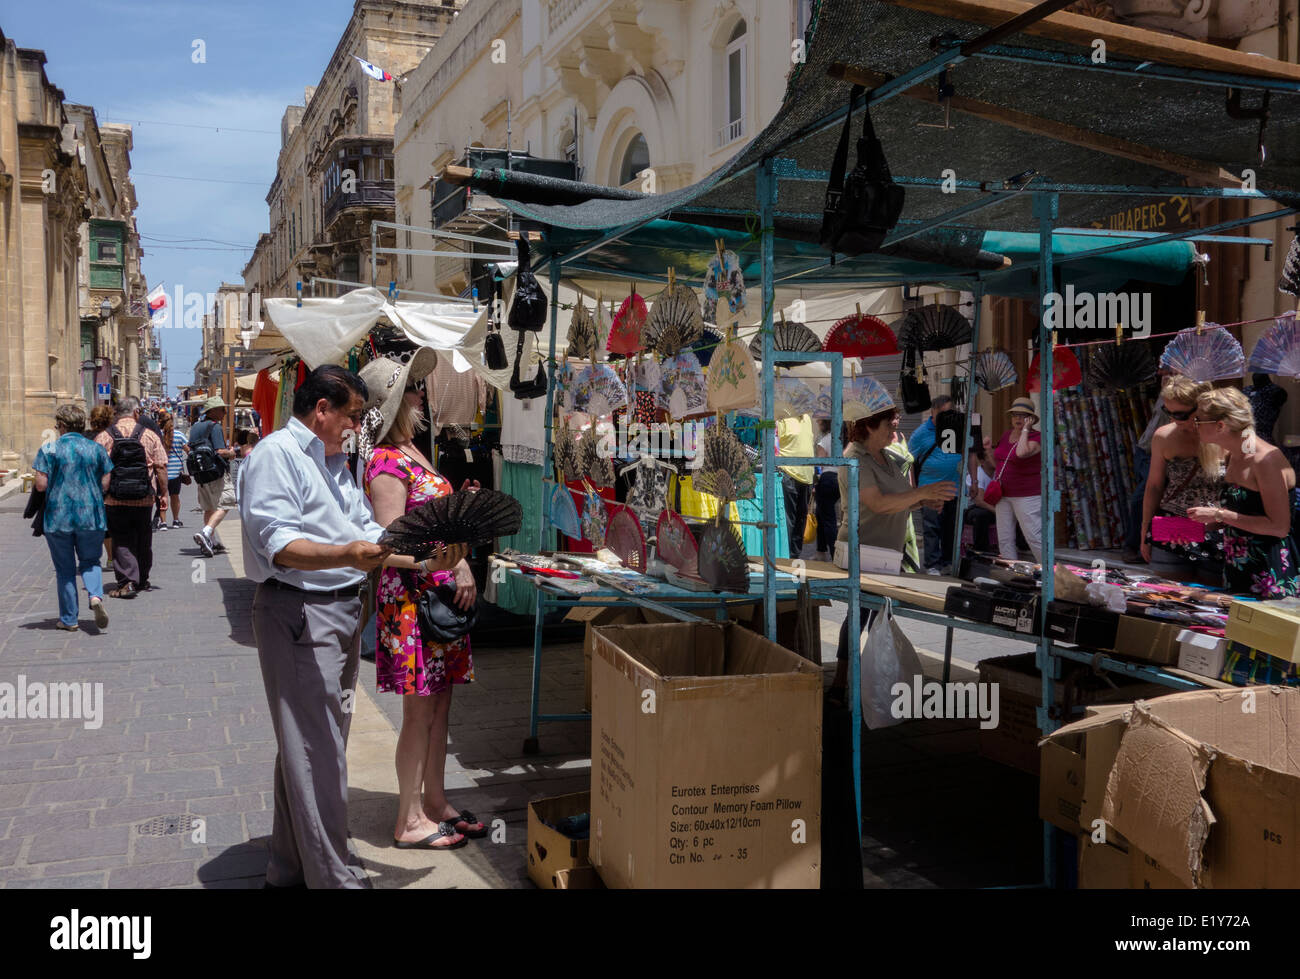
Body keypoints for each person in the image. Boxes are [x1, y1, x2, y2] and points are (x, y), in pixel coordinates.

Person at [239, 365, 454, 888]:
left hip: (336, 611)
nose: (358, 427)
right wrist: (348, 554)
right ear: (322, 409)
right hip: (298, 611)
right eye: (353, 416)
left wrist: (421, 559)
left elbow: (367, 534)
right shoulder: (275, 456)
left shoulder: (335, 462)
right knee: (319, 752)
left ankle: (287, 869)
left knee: (311, 742)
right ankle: (333, 877)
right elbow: (280, 545)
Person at [360, 351, 485, 850]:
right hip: (413, 600)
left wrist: (460, 555)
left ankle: (434, 801)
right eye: (412, 388)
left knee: (440, 703)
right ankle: (408, 820)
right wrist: (447, 561)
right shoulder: (386, 460)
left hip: (438, 599)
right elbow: (390, 544)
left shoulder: (412, 449)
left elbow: (435, 523)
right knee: (418, 712)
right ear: (393, 402)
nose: (421, 395)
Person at [827, 398, 956, 705]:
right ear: (869, 426)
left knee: (876, 615)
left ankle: (872, 678)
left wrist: (921, 502)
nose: (895, 429)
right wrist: (922, 493)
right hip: (861, 550)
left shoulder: (886, 456)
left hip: (887, 552)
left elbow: (898, 501)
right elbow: (879, 503)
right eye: (889, 424)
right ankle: (841, 681)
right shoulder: (855, 459)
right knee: (858, 615)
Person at [1188, 387, 1300, 598]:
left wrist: (1220, 515)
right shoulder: (1235, 455)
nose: (1194, 426)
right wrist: (1198, 526)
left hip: (1268, 573)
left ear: (1220, 425)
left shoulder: (1266, 460)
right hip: (1238, 567)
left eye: (1198, 421)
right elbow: (1243, 513)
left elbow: (1279, 527)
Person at [31, 405, 113, 631]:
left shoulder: (49, 449)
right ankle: (95, 596)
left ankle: (69, 619)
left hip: (59, 518)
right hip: (91, 516)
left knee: (65, 570)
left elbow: (41, 485)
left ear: (63, 426)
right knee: (90, 561)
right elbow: (106, 481)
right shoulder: (96, 449)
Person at [1138, 376, 1222, 583]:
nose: (1175, 420)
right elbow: (1154, 486)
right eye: (1169, 413)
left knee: (1213, 603)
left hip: (1218, 530)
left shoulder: (1226, 435)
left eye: (1181, 415)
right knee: (1168, 598)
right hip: (1173, 527)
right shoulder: (1164, 436)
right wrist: (1145, 530)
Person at [94, 399, 168, 598]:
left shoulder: (104, 437)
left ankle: (127, 581)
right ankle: (142, 580)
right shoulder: (150, 435)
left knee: (121, 539)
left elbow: (95, 468)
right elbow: (161, 466)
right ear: (136, 413)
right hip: (144, 497)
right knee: (143, 538)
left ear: (117, 414)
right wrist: (164, 494)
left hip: (114, 498)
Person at [984, 396, 1044, 564]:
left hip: (1027, 495)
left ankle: (1051, 576)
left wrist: (1025, 430)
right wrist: (989, 451)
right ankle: (1012, 573)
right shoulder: (1006, 435)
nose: (1018, 418)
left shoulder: (1037, 438)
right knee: (1004, 537)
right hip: (1003, 493)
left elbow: (1021, 453)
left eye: (1023, 415)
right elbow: (998, 465)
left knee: (1033, 536)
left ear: (1031, 419)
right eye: (1015, 415)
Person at [908, 395, 962, 574]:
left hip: (952, 487)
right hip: (929, 488)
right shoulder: (921, 433)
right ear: (932, 412)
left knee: (950, 527)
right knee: (931, 527)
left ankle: (947, 562)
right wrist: (913, 488)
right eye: (940, 414)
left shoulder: (955, 428)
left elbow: (963, 453)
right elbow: (909, 462)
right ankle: (932, 564)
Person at [190, 397, 239, 557]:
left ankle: (210, 540)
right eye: (221, 409)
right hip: (216, 471)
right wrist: (232, 453)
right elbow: (219, 451)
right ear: (211, 411)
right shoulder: (215, 427)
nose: (225, 412)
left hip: (201, 473)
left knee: (209, 507)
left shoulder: (195, 427)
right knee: (227, 502)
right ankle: (206, 532)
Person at [778, 413, 815, 560]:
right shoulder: (782, 419)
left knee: (801, 520)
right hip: (788, 474)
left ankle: (795, 556)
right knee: (788, 520)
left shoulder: (807, 418)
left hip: (806, 476)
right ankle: (787, 557)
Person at [156, 409, 189, 532]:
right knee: (175, 497)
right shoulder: (179, 435)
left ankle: (163, 522)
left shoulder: (157, 435)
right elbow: (188, 450)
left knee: (162, 497)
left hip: (161, 472)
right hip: (175, 472)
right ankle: (175, 520)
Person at [813, 419, 839, 560]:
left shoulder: (824, 440)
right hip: (841, 478)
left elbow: (819, 463)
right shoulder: (841, 439)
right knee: (821, 515)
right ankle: (820, 551)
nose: (817, 423)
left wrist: (815, 482)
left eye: (819, 421)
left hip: (827, 478)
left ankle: (835, 554)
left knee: (828, 519)